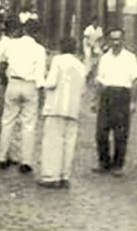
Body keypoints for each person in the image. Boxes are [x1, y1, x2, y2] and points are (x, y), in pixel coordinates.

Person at [0, 18, 46, 174]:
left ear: (24, 30)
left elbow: (2, 65)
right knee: (29, 125)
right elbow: (40, 74)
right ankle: (26, 161)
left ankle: (2, 157)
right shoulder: (39, 49)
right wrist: (41, 93)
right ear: (37, 33)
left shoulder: (12, 45)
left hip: (13, 83)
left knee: (7, 121)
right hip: (30, 85)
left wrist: (6, 82)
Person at [38, 36, 87, 188]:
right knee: (68, 143)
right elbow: (83, 90)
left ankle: (51, 176)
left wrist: (41, 81)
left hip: (56, 107)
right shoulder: (80, 65)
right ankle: (64, 175)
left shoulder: (58, 61)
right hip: (73, 109)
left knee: (53, 142)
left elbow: (52, 82)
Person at [93, 27, 137, 176]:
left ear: (123, 40)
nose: (116, 42)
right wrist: (95, 100)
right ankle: (103, 163)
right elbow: (99, 81)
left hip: (122, 96)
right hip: (106, 95)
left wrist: (133, 102)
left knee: (120, 133)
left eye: (118, 39)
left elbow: (136, 80)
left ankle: (118, 165)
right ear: (108, 40)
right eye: (113, 39)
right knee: (101, 132)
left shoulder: (130, 58)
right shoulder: (105, 58)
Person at [0, 15, 21, 168]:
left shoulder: (3, 43)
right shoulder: (9, 45)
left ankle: (2, 152)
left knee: (2, 120)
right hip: (2, 85)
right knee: (0, 120)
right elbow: (2, 68)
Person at [82, 16, 104, 80]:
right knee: (88, 56)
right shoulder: (89, 28)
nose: (96, 23)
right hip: (88, 45)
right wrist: (91, 46)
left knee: (100, 55)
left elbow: (100, 39)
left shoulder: (99, 29)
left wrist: (99, 46)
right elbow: (86, 38)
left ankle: (97, 71)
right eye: (94, 22)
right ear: (92, 22)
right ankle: (87, 72)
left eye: (97, 22)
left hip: (96, 44)